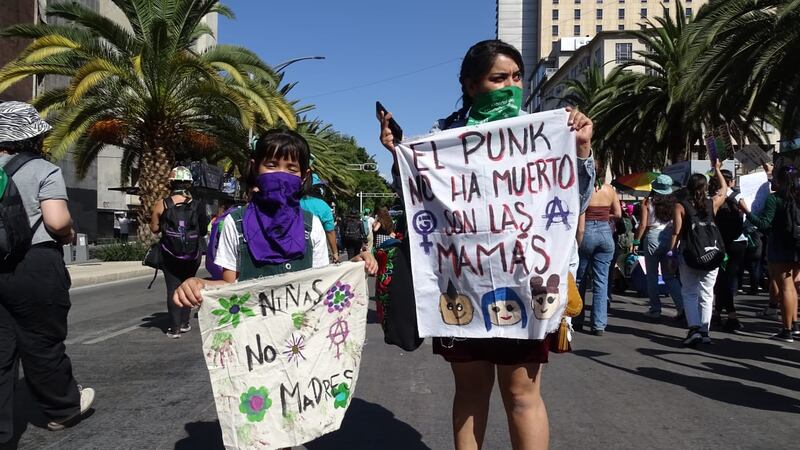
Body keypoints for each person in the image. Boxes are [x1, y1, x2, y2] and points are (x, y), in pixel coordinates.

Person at [378, 39, 595, 450]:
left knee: (522, 395)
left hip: (529, 284)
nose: (511, 86)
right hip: (463, 285)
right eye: (499, 78)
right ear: (471, 85)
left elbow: (571, 204)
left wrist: (581, 150)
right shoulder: (444, 138)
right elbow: (417, 202)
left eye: (517, 77)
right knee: (471, 392)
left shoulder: (546, 131)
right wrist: (398, 158)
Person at [171, 129, 376, 304]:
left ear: (304, 175)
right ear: (255, 167)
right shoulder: (235, 223)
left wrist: (356, 265)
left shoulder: (311, 224)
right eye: (271, 165)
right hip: (254, 343)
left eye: (291, 168)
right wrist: (198, 284)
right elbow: (228, 285)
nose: (280, 174)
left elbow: (321, 283)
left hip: (303, 341)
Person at [0, 101, 94, 439]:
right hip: (35, 265)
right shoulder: (42, 169)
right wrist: (68, 233)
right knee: (42, 341)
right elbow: (56, 221)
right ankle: (62, 408)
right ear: (32, 138)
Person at [670, 164, 728, 345]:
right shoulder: (712, 204)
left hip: (689, 254)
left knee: (689, 292)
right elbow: (724, 189)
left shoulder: (681, 206)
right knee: (707, 293)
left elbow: (676, 232)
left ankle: (693, 328)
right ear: (704, 188)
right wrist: (717, 170)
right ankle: (705, 331)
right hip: (711, 253)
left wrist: (671, 254)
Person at [741, 165, 800, 342]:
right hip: (798, 244)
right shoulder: (797, 197)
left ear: (779, 181)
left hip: (780, 245)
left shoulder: (775, 199)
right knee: (793, 286)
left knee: (786, 287)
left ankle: (787, 330)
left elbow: (765, 225)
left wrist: (747, 212)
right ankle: (794, 324)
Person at [150, 166, 208, 339]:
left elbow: (154, 229)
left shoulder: (162, 204)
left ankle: (174, 328)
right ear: (189, 184)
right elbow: (203, 230)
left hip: (170, 253)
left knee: (172, 287)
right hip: (192, 254)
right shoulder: (197, 205)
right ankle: (185, 323)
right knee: (189, 284)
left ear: (171, 183)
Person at [633, 175, 684, 321]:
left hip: (652, 237)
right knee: (669, 276)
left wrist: (636, 241)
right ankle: (682, 307)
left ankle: (655, 309)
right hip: (669, 236)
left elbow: (643, 225)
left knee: (652, 276)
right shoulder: (674, 203)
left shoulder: (647, 202)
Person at [575, 183, 621, 335]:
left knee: (580, 279)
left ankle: (577, 319)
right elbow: (618, 214)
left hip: (586, 231)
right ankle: (599, 325)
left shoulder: (582, 189)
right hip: (605, 234)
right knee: (601, 281)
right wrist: (605, 216)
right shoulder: (610, 190)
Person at [709, 170, 748, 332]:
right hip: (738, 242)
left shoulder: (714, 197)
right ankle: (726, 314)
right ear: (730, 181)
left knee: (721, 278)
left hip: (720, 242)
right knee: (728, 278)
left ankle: (723, 313)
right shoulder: (737, 196)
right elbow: (747, 214)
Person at [300, 174, 340, 262]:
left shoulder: (295, 202)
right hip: (317, 251)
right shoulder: (324, 206)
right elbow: (330, 232)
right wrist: (335, 253)